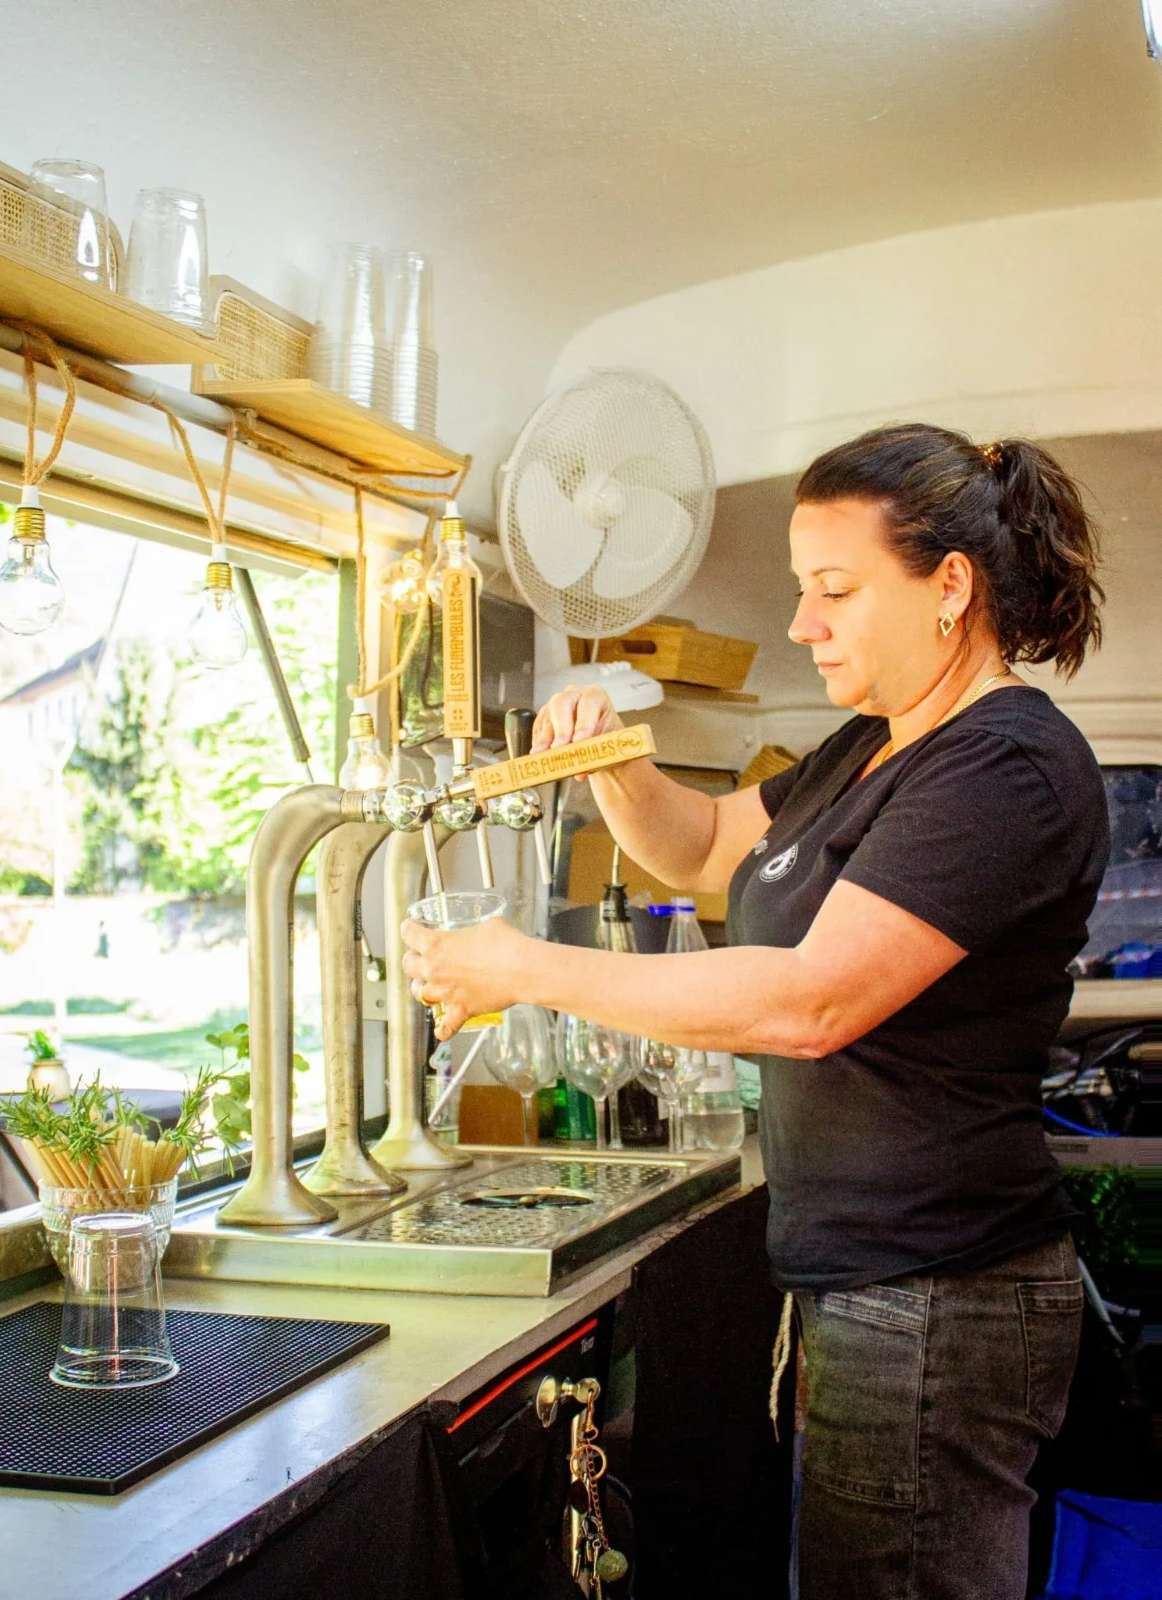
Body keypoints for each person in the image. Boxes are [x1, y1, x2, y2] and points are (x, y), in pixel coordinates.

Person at [403, 422, 1110, 1599]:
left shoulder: (1005, 766)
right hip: (870, 1282)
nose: (801, 623)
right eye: (799, 589)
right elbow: (702, 846)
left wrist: (523, 965)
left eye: (833, 590)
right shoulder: (868, 748)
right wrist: (615, 767)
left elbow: (809, 999)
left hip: (938, 1290)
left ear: (949, 586)